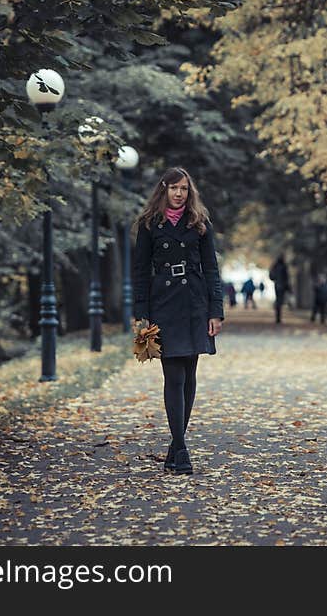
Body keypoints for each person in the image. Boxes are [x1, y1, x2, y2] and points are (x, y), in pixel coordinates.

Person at [131, 167, 224, 475]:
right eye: (173, 188)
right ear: (164, 190)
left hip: (195, 303)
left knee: (189, 373)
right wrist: (140, 314)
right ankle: (181, 448)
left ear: (189, 190)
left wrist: (216, 310)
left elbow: (212, 269)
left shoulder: (199, 223)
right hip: (164, 305)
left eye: (184, 188)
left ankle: (175, 443)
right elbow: (141, 272)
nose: (179, 193)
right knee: (174, 376)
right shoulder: (149, 224)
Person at [268, 254, 289, 324]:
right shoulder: (283, 266)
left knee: (278, 300)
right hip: (282, 285)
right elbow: (286, 277)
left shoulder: (275, 266)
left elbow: (271, 276)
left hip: (277, 285)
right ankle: (278, 316)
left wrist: (275, 279)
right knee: (280, 300)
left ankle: (278, 316)